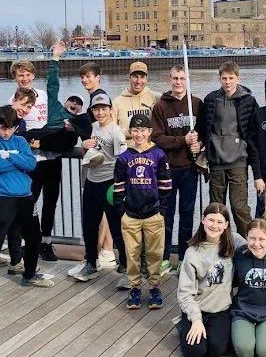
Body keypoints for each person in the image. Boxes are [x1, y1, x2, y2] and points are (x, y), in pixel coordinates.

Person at [0, 106, 50, 316]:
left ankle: (29, 275)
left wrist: (9, 156)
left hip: (25, 196)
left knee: (34, 237)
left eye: (10, 128)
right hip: (1, 197)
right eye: (2, 128)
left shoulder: (20, 141)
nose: (6, 132)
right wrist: (15, 160)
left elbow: (31, 164)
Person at [113, 113, 171, 310]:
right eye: (135, 130)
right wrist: (121, 210)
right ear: (130, 132)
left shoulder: (159, 155)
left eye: (143, 130)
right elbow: (118, 187)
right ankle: (135, 287)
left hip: (153, 213)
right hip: (130, 214)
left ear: (150, 132)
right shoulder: (124, 158)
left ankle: (155, 287)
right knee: (132, 254)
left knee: (155, 253)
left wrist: (161, 209)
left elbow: (165, 185)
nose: (139, 134)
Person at [151, 64, 205, 274]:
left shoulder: (197, 104)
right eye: (175, 78)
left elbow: (204, 133)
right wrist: (182, 140)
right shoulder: (161, 107)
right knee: (166, 215)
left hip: (189, 168)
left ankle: (184, 256)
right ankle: (165, 257)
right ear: (169, 79)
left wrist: (199, 144)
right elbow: (156, 138)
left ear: (187, 79)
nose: (178, 82)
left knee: (187, 215)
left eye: (182, 78)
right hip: (167, 169)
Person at [9, 57, 62, 263]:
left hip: (51, 157)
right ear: (15, 77)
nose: (25, 78)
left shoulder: (43, 95)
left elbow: (56, 117)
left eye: (28, 74)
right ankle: (28, 241)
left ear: (33, 76)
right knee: (29, 202)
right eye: (20, 74)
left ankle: (46, 243)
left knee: (51, 202)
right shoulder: (11, 100)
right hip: (30, 161)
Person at [176, 203, 246, 357]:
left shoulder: (234, 241)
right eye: (211, 220)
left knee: (217, 349)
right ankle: (185, 325)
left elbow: (256, 246)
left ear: (226, 225)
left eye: (220, 222)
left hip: (220, 309)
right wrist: (196, 320)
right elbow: (185, 293)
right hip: (197, 308)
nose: (215, 225)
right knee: (195, 352)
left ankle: (210, 331)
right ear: (203, 220)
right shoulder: (192, 252)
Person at [71, 94, 127, 283]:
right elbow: (89, 151)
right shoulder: (93, 127)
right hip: (91, 182)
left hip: (109, 182)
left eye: (104, 109)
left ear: (111, 110)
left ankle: (126, 267)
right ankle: (91, 263)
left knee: (116, 226)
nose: (100, 112)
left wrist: (119, 186)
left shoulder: (116, 131)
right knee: (89, 225)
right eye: (96, 109)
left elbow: (123, 160)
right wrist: (84, 145)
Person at [203, 61, 258, 237]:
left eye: (231, 78)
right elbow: (204, 126)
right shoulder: (211, 99)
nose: (227, 82)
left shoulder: (248, 100)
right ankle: (218, 243)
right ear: (219, 79)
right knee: (217, 209)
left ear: (238, 78)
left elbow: (253, 131)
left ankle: (248, 243)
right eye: (224, 78)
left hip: (238, 161)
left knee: (239, 207)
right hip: (216, 161)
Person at [231, 218, 266, 357]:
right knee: (245, 353)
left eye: (262, 239)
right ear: (246, 238)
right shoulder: (239, 255)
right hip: (243, 311)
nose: (256, 244)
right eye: (252, 238)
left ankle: (264, 337)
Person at [112, 61, 161, 141]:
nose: (138, 81)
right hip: (127, 151)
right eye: (135, 76)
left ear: (147, 78)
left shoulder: (157, 98)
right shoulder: (117, 103)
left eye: (142, 77)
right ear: (129, 77)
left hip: (151, 150)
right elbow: (112, 132)